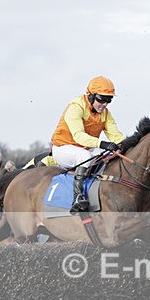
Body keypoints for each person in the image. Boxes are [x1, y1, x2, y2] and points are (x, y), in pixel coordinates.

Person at [51, 75, 126, 213]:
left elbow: (116, 135)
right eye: (101, 99)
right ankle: (77, 198)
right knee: (84, 156)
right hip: (63, 148)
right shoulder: (76, 107)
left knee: (109, 156)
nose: (104, 104)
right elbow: (78, 136)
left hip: (86, 149)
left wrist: (125, 145)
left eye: (108, 100)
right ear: (90, 96)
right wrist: (102, 143)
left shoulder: (105, 113)